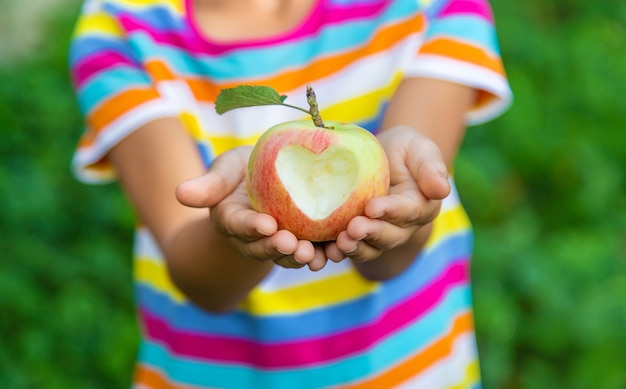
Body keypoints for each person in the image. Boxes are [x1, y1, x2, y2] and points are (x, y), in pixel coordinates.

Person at [69, 0, 512, 387]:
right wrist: (231, 233)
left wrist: (403, 216)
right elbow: (200, 280)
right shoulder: (122, 27)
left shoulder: (426, 6)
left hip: (406, 368)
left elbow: (402, 233)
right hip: (218, 375)